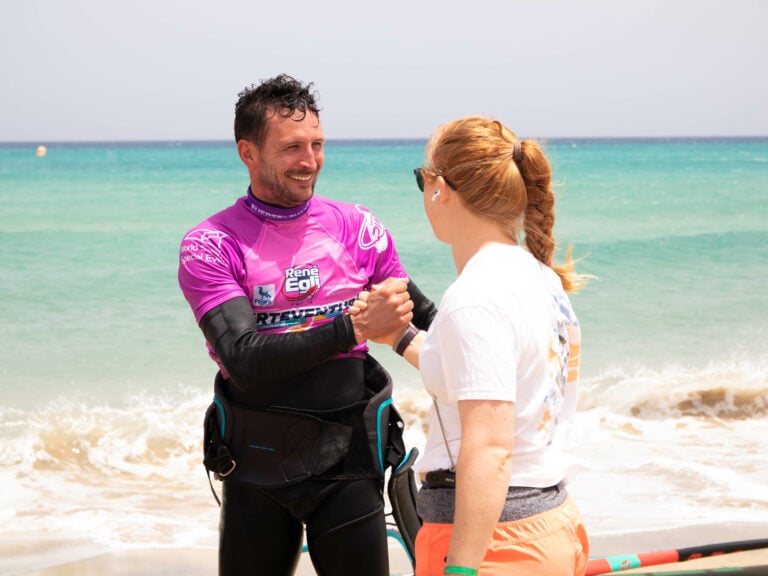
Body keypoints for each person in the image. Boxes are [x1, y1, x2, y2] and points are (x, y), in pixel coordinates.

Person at [177, 74, 436, 576]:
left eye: (317, 144)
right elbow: (244, 359)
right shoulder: (212, 244)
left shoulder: (357, 228)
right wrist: (355, 328)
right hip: (255, 467)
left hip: (349, 463)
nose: (310, 160)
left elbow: (425, 315)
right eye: (292, 146)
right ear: (247, 152)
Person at [352, 115, 590, 575]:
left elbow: (490, 448)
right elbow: (478, 373)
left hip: (494, 542)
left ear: (440, 187)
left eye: (421, 177)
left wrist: (460, 569)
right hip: (547, 522)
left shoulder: (475, 297)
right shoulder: (537, 277)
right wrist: (398, 336)